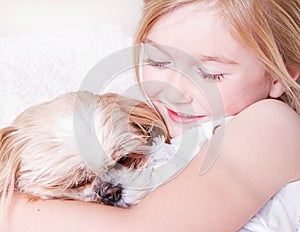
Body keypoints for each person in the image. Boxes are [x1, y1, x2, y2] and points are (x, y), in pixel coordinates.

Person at [1, 0, 299, 231]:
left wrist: (8, 210)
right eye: (158, 61)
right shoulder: (146, 126)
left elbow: (146, 228)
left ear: (280, 76)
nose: (173, 91)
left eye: (210, 74)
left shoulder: (271, 126)